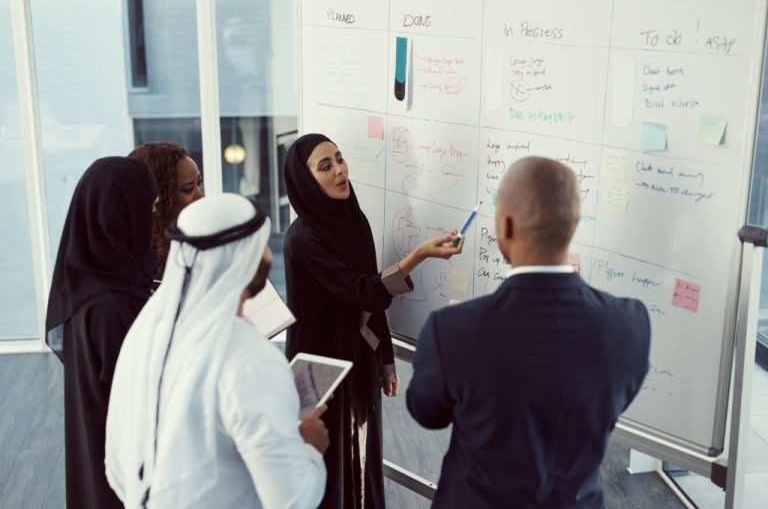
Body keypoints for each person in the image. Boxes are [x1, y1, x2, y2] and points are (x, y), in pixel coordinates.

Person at [406, 156, 651, 508]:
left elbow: (426, 412)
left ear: (505, 226)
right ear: (573, 224)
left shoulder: (452, 330)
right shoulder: (631, 324)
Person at [106, 193, 328, 508]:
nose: (266, 252)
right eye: (260, 244)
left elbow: (119, 467)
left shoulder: (147, 329)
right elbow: (293, 500)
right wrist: (309, 447)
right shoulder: (250, 361)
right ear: (245, 258)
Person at [283, 133, 464, 509]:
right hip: (320, 374)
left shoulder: (354, 218)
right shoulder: (302, 239)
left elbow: (370, 298)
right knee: (328, 473)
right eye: (325, 166)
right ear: (305, 181)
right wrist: (417, 256)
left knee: (361, 462)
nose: (340, 170)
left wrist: (384, 360)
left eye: (339, 158)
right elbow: (360, 290)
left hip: (358, 362)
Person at [45, 157, 157, 509]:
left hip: (99, 455)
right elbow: (142, 395)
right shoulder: (109, 305)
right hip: (121, 469)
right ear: (119, 215)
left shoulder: (88, 285)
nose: (153, 221)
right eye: (147, 209)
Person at [129, 141, 204, 277]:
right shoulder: (140, 254)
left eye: (199, 182)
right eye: (188, 189)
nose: (200, 194)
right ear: (157, 196)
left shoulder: (195, 236)